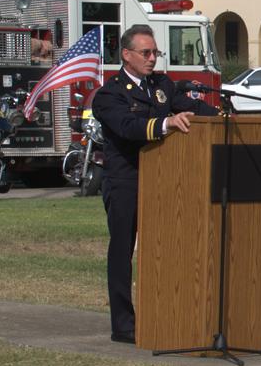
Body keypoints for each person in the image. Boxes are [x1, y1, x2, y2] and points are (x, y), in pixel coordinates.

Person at [93, 24, 217, 344]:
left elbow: (189, 107)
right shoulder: (110, 94)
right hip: (127, 181)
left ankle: (165, 311)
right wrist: (165, 123)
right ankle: (124, 324)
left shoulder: (161, 84)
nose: (152, 59)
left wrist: (223, 117)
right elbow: (128, 126)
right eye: (146, 53)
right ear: (127, 55)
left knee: (166, 247)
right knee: (123, 252)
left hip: (165, 180)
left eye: (155, 53)